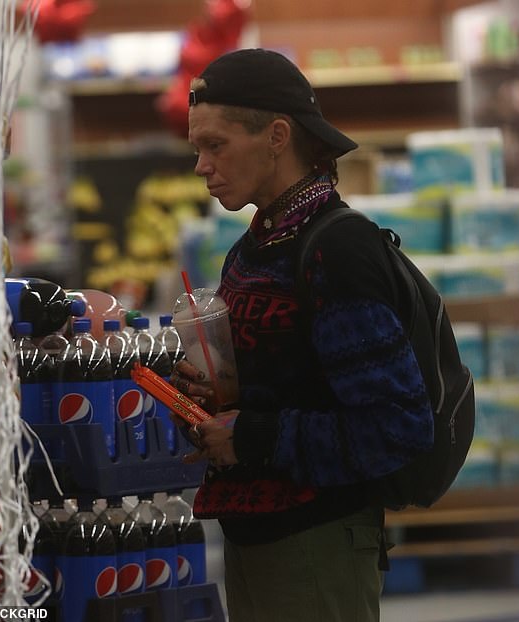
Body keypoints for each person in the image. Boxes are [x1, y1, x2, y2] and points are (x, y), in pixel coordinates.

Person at [170, 48, 434, 622]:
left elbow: (397, 425)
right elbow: (285, 385)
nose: (201, 166)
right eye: (197, 148)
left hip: (317, 539)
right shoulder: (252, 249)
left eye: (215, 145)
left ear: (278, 136)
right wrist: (218, 396)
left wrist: (254, 435)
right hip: (255, 537)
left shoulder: (336, 249)